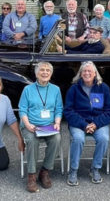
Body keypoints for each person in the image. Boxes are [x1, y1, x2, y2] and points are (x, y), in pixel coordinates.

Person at [64, 61, 110, 186]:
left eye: (89, 71)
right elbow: (68, 111)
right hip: (79, 122)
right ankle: (73, 170)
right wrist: (84, 125)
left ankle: (95, 168)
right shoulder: (74, 88)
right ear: (80, 73)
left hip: (98, 122)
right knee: (78, 138)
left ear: (95, 73)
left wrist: (96, 123)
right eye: (84, 71)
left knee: (104, 138)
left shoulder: (103, 87)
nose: (87, 73)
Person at [19, 62, 63, 192]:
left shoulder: (56, 89)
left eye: (48, 70)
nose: (45, 72)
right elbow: (22, 110)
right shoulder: (28, 89)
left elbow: (59, 109)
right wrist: (27, 124)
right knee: (32, 141)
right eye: (42, 70)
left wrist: (57, 123)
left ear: (51, 73)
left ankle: (44, 171)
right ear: (36, 73)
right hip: (31, 125)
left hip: (48, 126)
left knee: (57, 138)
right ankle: (31, 175)